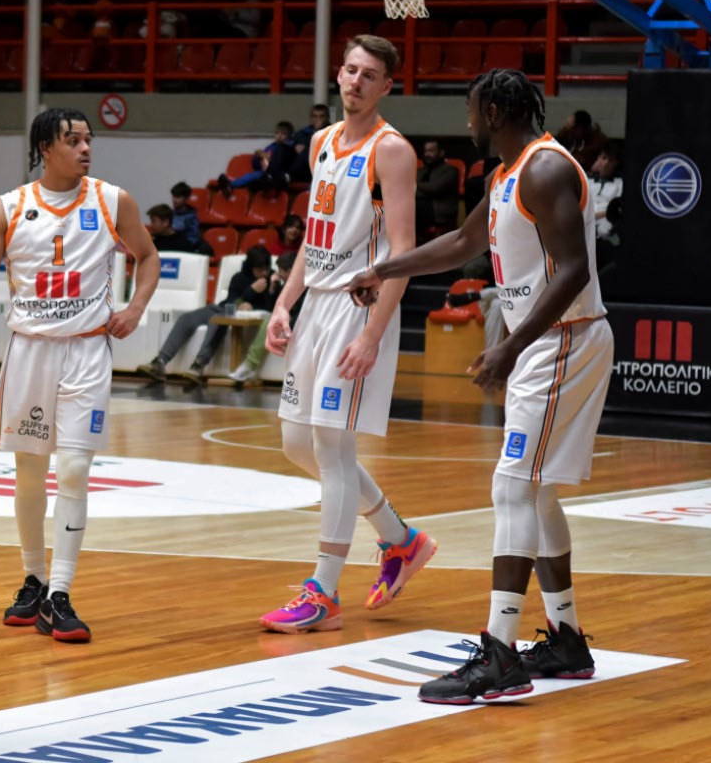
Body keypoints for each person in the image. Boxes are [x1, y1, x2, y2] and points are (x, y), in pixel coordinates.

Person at [348, 68, 612, 704]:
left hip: (563, 339)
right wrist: (385, 268)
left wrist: (510, 347)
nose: (466, 122)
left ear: (493, 112)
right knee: (536, 493)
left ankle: (500, 654)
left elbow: (574, 270)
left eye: (471, 110)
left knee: (512, 487)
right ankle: (567, 640)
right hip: (550, 340)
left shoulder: (545, 169)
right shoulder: (505, 177)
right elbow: (463, 242)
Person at [0, 107, 158, 644]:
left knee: (75, 468)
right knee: (30, 472)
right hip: (29, 352)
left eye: (88, 139)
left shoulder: (113, 201)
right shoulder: (8, 208)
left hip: (87, 351)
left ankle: (60, 592)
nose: (85, 148)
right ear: (45, 149)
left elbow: (148, 258)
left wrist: (134, 309)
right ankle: (33, 578)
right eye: (73, 140)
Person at [259, 35, 438, 634]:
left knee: (333, 449)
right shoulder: (321, 143)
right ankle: (400, 539)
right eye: (351, 70)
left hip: (358, 309)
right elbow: (315, 236)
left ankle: (323, 592)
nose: (356, 81)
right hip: (315, 304)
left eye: (370, 75)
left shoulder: (393, 151)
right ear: (339, 73)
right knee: (297, 444)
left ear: (386, 86)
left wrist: (372, 336)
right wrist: (284, 303)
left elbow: (404, 251)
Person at [136, 244, 275, 386]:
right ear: (251, 267)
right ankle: (160, 361)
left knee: (216, 321)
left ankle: (198, 365)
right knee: (186, 319)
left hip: (233, 316)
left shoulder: (272, 281)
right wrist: (251, 291)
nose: (264, 273)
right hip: (221, 308)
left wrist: (255, 302)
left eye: (266, 268)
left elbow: (270, 307)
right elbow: (231, 301)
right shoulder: (239, 278)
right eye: (260, 269)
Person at [228, 251, 298, 382]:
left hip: (298, 320)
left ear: (290, 272)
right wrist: (272, 289)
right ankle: (248, 366)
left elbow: (298, 311)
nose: (277, 274)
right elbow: (274, 308)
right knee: (271, 319)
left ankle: (249, 365)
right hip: (287, 318)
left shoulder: (303, 286)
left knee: (271, 320)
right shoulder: (283, 285)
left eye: (280, 271)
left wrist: (290, 324)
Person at [217, 122, 296, 195]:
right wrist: (258, 157)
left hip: (277, 175)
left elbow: (285, 163)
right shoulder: (270, 147)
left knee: (252, 177)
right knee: (250, 176)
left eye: (283, 134)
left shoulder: (289, 148)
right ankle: (229, 184)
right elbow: (256, 165)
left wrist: (269, 158)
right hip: (264, 172)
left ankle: (229, 184)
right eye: (277, 133)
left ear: (289, 136)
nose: (279, 136)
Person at [588, 142, 622, 272]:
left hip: (606, 219)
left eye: (610, 160)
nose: (606, 163)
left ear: (616, 163)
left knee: (605, 230)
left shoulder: (620, 183)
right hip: (585, 218)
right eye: (603, 158)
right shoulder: (587, 180)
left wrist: (597, 216)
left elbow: (617, 208)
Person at [416, 139, 460, 239]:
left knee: (412, 208)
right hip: (421, 209)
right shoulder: (420, 171)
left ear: (441, 153)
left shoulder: (450, 171)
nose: (427, 154)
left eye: (431, 151)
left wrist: (414, 185)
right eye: (426, 151)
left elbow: (435, 189)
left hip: (439, 211)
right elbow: (410, 190)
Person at [287, 104, 332, 186]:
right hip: (302, 168)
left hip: (321, 168)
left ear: (327, 118)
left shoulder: (334, 132)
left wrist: (318, 131)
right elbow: (289, 142)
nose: (318, 119)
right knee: (282, 148)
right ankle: (272, 176)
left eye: (321, 116)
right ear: (311, 118)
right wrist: (295, 145)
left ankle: (289, 176)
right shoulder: (304, 132)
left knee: (311, 145)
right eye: (315, 116)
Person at [169, 181, 201, 250]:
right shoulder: (170, 214)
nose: (174, 200)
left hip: (184, 248)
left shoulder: (191, 216)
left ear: (186, 198)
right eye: (173, 196)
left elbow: (193, 239)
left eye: (178, 197)